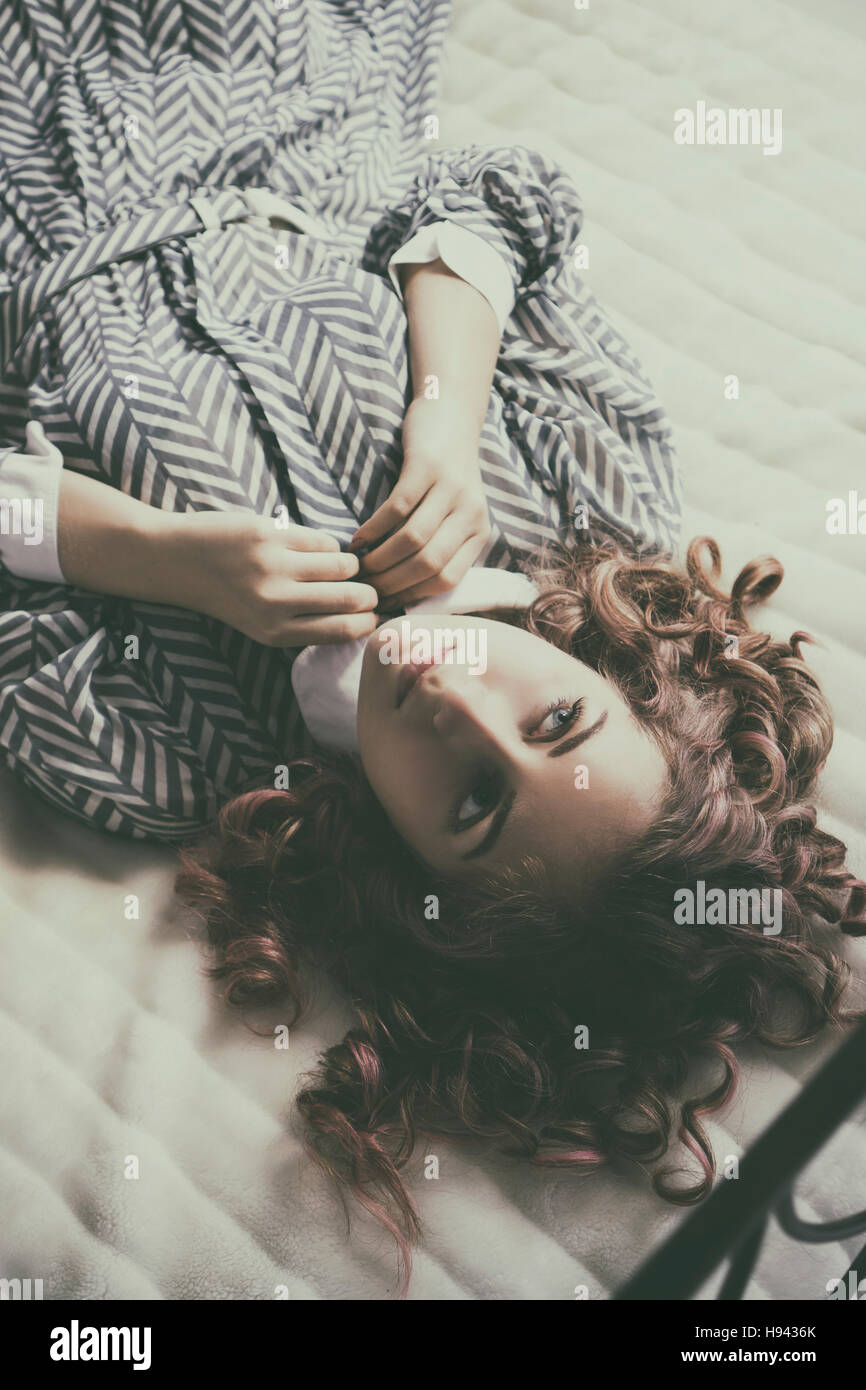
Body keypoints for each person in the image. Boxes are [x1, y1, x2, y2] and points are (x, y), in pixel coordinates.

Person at [1, 0, 862, 1296]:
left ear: (414, 883)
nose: (459, 703)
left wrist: (154, 553)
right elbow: (488, 199)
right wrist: (445, 418)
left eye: (470, 804)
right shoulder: (588, 511)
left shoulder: (172, 750)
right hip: (287, 86)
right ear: (618, 684)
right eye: (555, 720)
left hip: (38, 197)